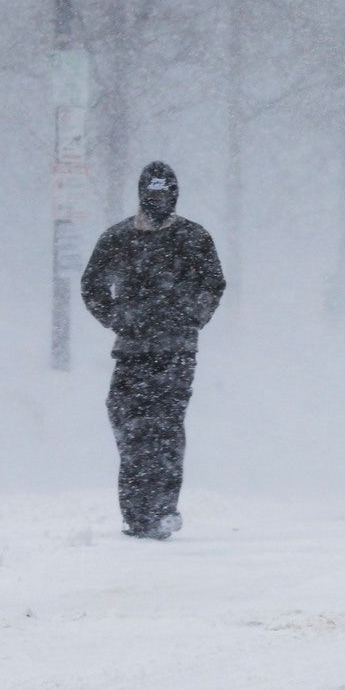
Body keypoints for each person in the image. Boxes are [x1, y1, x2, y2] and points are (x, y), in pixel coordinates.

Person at [81, 161, 225, 540]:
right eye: (153, 192)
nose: (159, 199)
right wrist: (117, 318)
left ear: (174, 194)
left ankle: (161, 510)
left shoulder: (194, 238)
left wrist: (190, 317)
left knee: (164, 428)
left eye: (165, 192)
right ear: (143, 194)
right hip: (130, 351)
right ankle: (136, 513)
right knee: (127, 424)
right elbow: (91, 284)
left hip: (176, 351)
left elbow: (214, 284)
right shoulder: (117, 238)